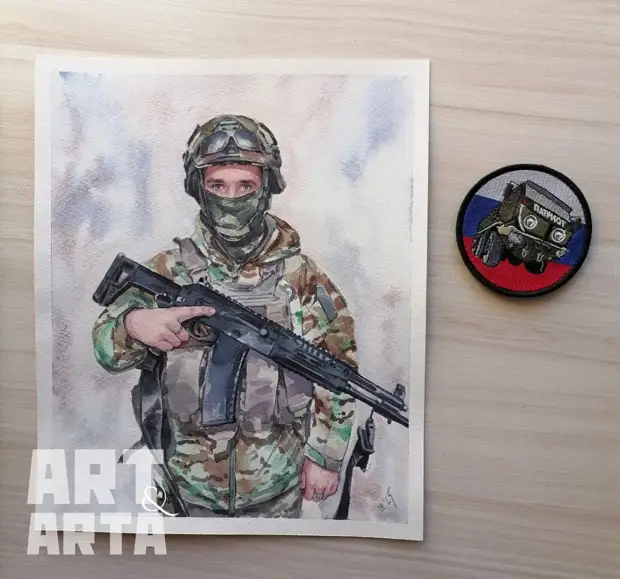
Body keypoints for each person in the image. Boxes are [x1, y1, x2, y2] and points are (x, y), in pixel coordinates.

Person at [92, 114, 357, 518]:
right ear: (199, 187)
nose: (231, 198)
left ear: (266, 187)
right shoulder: (169, 270)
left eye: (245, 185)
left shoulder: (300, 277)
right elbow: (106, 350)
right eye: (218, 185)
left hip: (276, 484)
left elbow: (339, 369)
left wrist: (326, 456)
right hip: (181, 483)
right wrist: (132, 325)